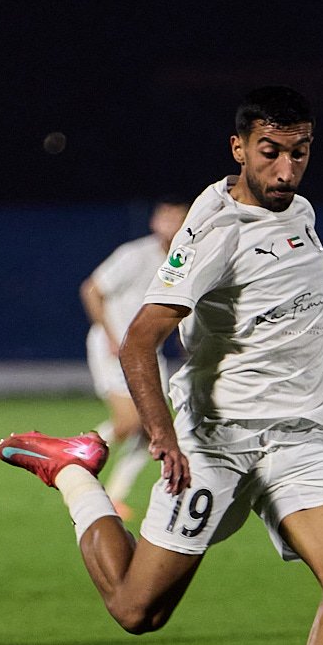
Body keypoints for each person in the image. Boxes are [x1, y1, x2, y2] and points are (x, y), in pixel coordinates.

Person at [0, 85, 323, 645]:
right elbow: (137, 340)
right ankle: (73, 473)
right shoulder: (216, 230)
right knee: (137, 610)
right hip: (215, 441)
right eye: (270, 153)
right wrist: (162, 434)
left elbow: (283, 325)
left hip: (300, 438)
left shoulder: (301, 214)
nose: (285, 169)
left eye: (299, 153)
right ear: (239, 148)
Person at [79, 200, 190, 516]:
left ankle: (115, 495)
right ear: (154, 221)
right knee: (129, 422)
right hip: (115, 346)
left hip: (147, 350)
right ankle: (74, 454)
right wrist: (111, 336)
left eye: (177, 218)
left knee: (153, 426)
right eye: (165, 216)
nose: (170, 223)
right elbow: (92, 289)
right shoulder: (135, 255)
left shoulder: (185, 261)